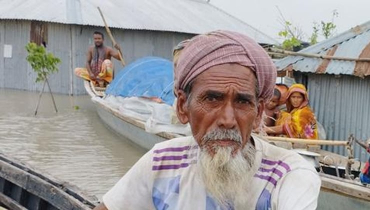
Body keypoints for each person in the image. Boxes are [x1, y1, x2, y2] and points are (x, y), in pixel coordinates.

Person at [94, 30, 320, 210]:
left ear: (258, 113)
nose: (228, 120)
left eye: (242, 102)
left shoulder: (288, 175)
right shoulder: (161, 162)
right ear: (183, 106)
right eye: (212, 98)